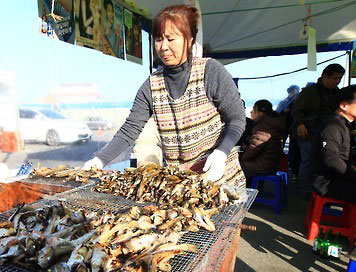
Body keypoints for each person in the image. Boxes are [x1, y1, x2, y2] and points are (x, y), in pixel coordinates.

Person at [84, 5, 246, 187]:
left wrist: (222, 152)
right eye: (159, 39)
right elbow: (130, 129)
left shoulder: (210, 71)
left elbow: (237, 119)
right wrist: (100, 160)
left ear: (189, 39)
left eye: (171, 39)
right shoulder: (151, 85)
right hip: (182, 183)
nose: (164, 47)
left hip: (221, 175)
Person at [292, 64, 345, 196]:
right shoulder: (309, 92)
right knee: (308, 162)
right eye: (334, 78)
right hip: (308, 134)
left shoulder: (338, 94)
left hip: (326, 136)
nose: (337, 81)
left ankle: (319, 191)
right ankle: (305, 191)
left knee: (324, 162)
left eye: (339, 78)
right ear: (324, 76)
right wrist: (300, 124)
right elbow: (297, 110)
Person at [312, 85, 356, 203]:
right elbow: (331, 159)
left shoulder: (344, 125)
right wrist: (352, 175)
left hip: (338, 178)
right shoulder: (333, 126)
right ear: (343, 106)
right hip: (326, 182)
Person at [239, 100, 285, 185]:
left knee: (236, 167)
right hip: (271, 163)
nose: (251, 112)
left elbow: (253, 151)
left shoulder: (263, 126)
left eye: (253, 109)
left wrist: (241, 159)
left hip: (263, 166)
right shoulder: (271, 123)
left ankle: (246, 192)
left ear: (260, 112)